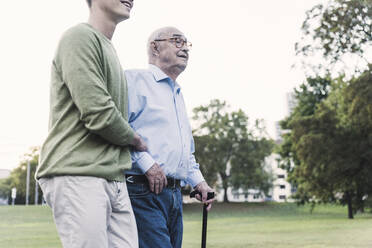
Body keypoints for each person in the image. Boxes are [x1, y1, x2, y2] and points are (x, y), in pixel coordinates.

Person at [35, 0, 146, 247]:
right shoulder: (78, 37)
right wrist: (136, 139)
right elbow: (98, 112)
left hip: (113, 175)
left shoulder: (110, 49)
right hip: (78, 171)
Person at [125, 26, 215, 248]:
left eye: (186, 43)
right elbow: (117, 128)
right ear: (154, 47)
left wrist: (199, 182)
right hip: (143, 191)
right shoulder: (133, 80)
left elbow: (185, 150)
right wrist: (147, 164)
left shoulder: (177, 93)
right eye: (177, 41)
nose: (184, 47)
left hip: (174, 195)